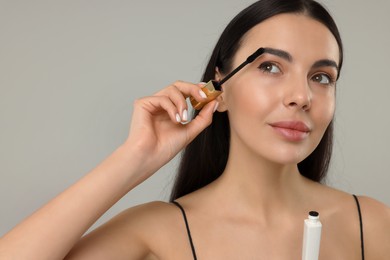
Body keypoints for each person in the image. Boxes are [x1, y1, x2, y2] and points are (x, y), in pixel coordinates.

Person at [1, 0, 389, 259]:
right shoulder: (156, 233)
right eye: (270, 67)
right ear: (218, 89)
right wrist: (134, 158)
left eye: (322, 77)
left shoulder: (371, 225)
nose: (301, 96)